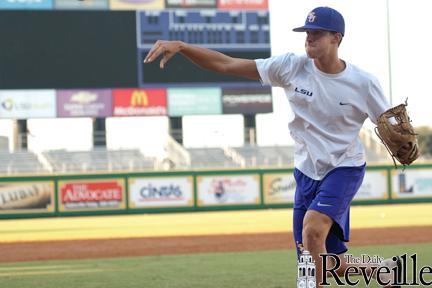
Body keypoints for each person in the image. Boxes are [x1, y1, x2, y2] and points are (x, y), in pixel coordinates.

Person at [144, 6, 401, 287]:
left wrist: (399, 137)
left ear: (336, 38)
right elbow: (226, 64)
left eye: (316, 33)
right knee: (317, 262)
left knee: (313, 231)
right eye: (307, 33)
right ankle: (381, 270)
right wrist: (182, 47)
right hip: (305, 171)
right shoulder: (291, 66)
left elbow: (388, 123)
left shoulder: (363, 83)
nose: (309, 38)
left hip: (344, 167)